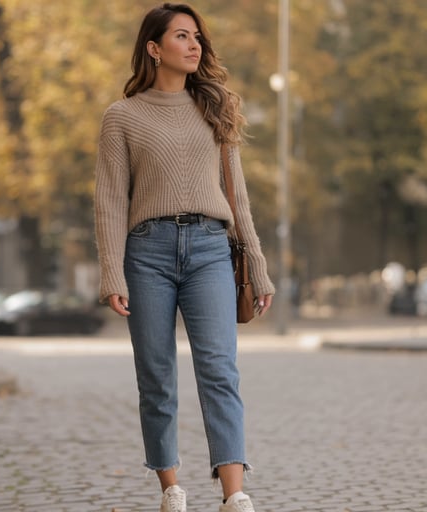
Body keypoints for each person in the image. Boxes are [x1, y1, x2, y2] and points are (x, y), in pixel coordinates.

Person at [94, 4, 275, 511]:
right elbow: (109, 200)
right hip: (146, 253)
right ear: (154, 48)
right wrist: (112, 271)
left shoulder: (215, 108)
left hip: (210, 251)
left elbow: (237, 197)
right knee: (156, 375)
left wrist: (257, 265)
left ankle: (234, 496)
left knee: (219, 369)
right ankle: (171, 487)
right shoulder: (121, 117)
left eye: (196, 36)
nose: (194, 45)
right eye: (181, 36)